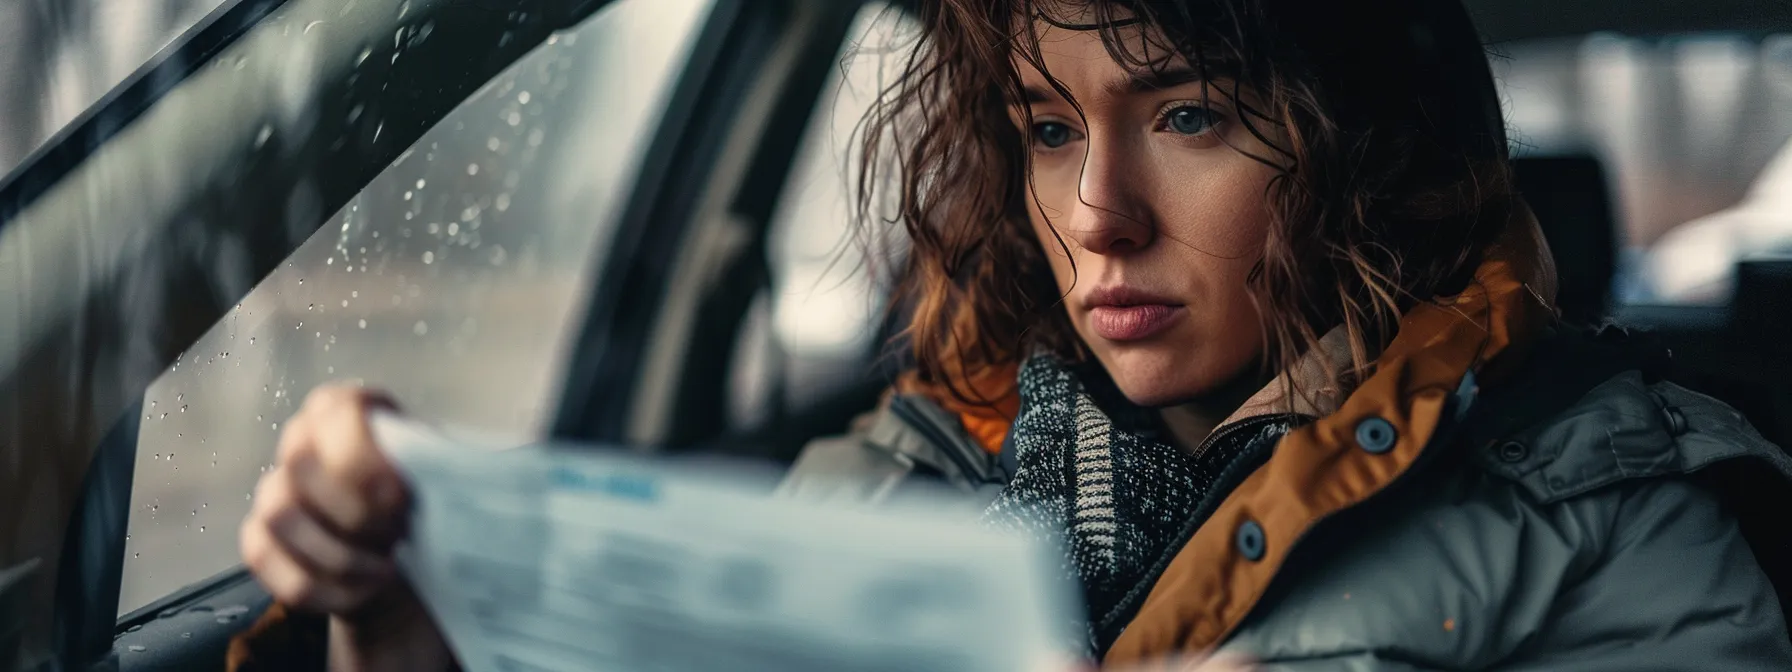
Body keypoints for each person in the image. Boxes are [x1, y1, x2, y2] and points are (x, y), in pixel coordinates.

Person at [230, 0, 1792, 669]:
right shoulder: (903, 464)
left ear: (1361, 151)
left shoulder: (1619, 524)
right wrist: (398, 620)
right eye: (1048, 128)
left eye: (1189, 113)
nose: (1097, 212)